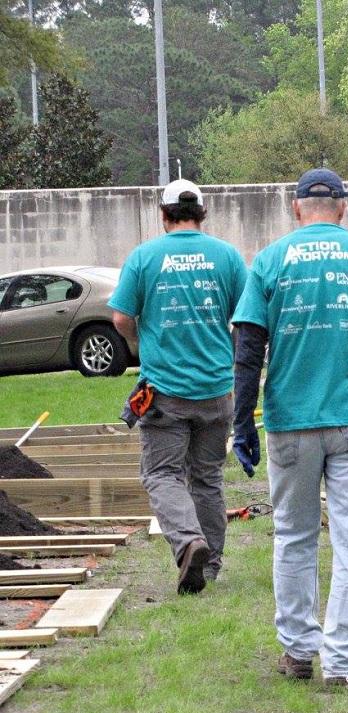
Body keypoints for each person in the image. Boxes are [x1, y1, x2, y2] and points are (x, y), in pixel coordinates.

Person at [230, 169, 348, 684]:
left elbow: (247, 351)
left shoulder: (270, 259)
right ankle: (343, 663)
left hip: (292, 419)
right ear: (344, 209)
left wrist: (244, 423)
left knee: (293, 535)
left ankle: (299, 651)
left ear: (295, 208)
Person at [109, 179, 247, 595]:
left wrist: (143, 340)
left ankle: (189, 542)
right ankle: (210, 565)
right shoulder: (227, 256)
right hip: (216, 390)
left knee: (162, 474)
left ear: (163, 213)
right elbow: (245, 318)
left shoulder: (145, 257)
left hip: (164, 391)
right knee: (207, 478)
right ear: (202, 212)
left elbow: (120, 318)